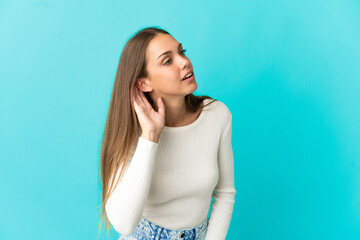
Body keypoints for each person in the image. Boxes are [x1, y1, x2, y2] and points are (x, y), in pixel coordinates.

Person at [98, 26, 236, 240]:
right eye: (167, 60)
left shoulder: (217, 115)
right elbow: (123, 224)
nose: (184, 62)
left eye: (182, 52)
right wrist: (150, 136)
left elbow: (225, 193)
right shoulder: (132, 132)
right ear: (143, 83)